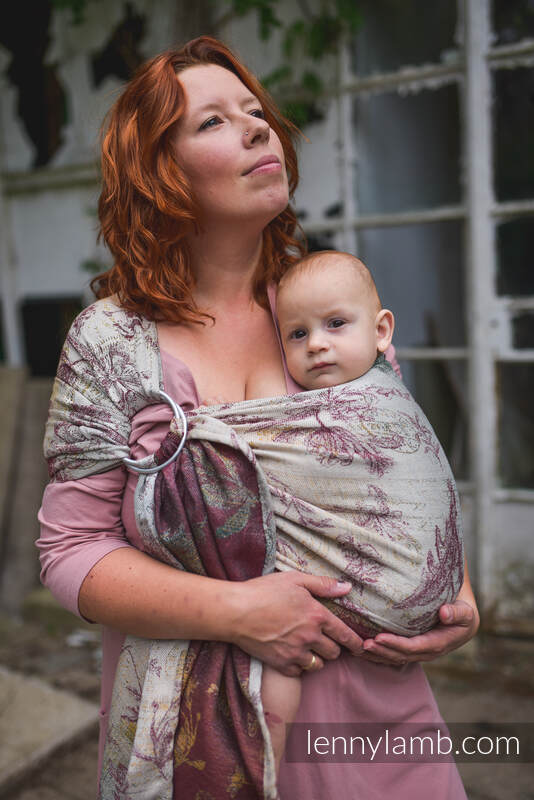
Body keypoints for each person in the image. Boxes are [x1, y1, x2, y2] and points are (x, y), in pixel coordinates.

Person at [37, 36, 479, 799]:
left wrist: (456, 591)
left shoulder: (322, 312)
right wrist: (239, 612)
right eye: (211, 122)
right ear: (158, 172)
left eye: (254, 112)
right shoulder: (111, 344)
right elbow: (70, 550)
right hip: (201, 734)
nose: (255, 129)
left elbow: (405, 479)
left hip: (380, 719)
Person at [258, 249, 464, 772]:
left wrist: (461, 592)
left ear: (381, 331)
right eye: (297, 335)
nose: (317, 344)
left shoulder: (386, 393)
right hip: (310, 634)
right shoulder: (293, 411)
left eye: (334, 324)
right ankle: (263, 773)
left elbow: (422, 492)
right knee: (276, 685)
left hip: (397, 668)